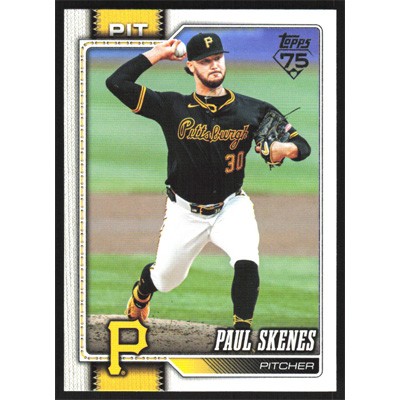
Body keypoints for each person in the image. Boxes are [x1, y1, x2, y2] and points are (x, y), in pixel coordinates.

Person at [106, 33, 311, 329]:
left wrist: (285, 149)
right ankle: (143, 290)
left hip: (232, 206)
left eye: (218, 58)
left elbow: (303, 146)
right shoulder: (171, 106)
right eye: (205, 61)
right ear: (190, 66)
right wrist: (157, 54)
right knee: (166, 280)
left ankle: (241, 332)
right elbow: (116, 83)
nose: (214, 64)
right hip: (184, 213)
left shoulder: (253, 110)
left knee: (247, 260)